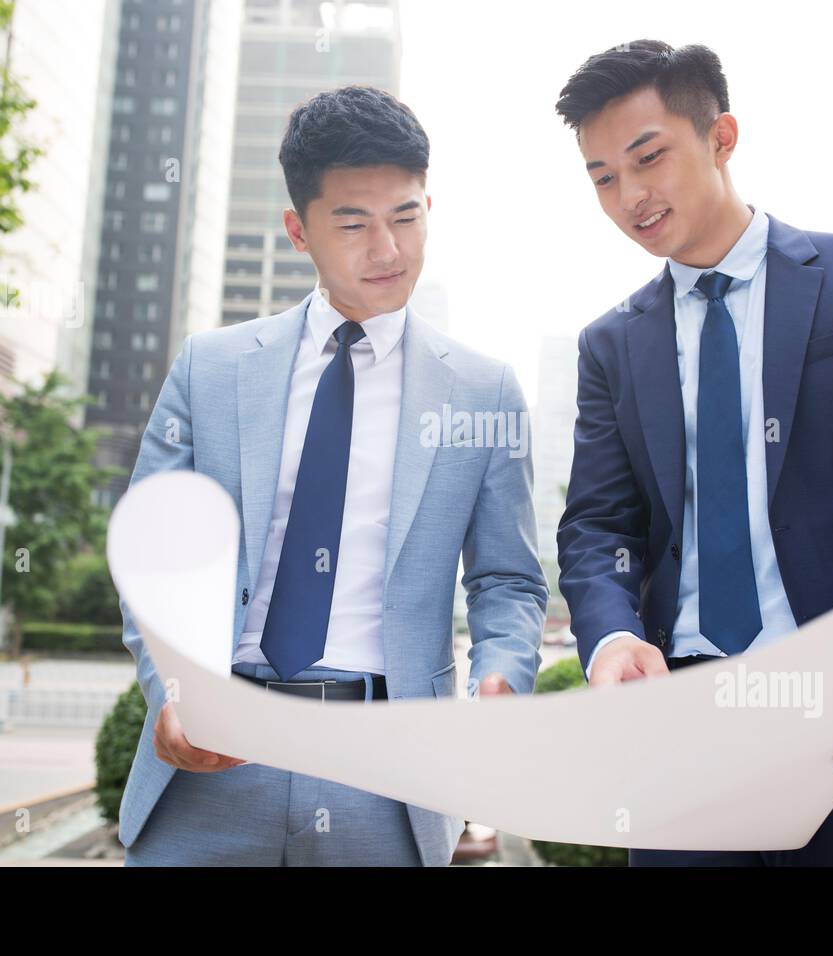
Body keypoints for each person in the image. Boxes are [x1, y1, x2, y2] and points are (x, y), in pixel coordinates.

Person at [553, 40, 833, 866]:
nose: (630, 196)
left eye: (647, 158)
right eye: (603, 177)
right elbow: (596, 528)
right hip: (682, 743)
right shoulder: (611, 345)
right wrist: (612, 640)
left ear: (721, 136)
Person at [117, 85, 546, 866]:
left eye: (408, 217)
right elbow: (155, 557)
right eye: (353, 223)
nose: (388, 250)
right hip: (211, 769)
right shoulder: (210, 370)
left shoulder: (484, 392)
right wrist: (169, 692)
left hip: (387, 781)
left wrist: (503, 679)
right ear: (298, 231)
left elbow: (508, 580)